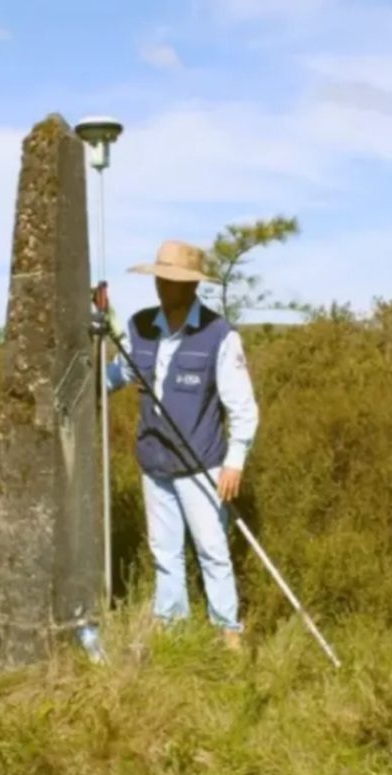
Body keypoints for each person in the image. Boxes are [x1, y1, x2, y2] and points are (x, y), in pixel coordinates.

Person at [106, 239, 259, 650]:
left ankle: (227, 629)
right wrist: (97, 375)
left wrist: (235, 461)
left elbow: (243, 406)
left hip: (202, 465)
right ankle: (171, 625)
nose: (162, 287)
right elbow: (117, 374)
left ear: (191, 287)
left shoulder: (218, 335)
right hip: (154, 463)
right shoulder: (139, 327)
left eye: (171, 281)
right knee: (164, 551)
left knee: (212, 550)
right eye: (160, 278)